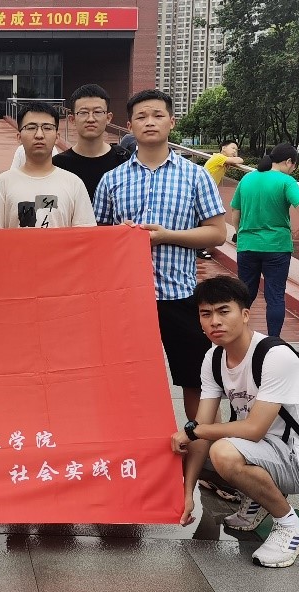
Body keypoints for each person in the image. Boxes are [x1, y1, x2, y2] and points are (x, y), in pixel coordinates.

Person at [92, 89, 226, 420]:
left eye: (157, 115)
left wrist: (167, 236)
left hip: (179, 297)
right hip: (128, 301)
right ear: (129, 126)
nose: (149, 122)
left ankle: (204, 447)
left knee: (195, 381)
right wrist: (120, 235)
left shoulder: (195, 176)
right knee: (128, 382)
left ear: (171, 122)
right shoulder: (112, 180)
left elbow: (217, 233)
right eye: (141, 116)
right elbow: (97, 240)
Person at [172, 275, 299, 569]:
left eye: (223, 311)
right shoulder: (214, 359)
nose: (215, 321)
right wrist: (186, 494)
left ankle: (291, 524)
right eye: (206, 314)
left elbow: (253, 429)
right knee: (193, 450)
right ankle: (256, 498)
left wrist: (194, 431)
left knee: (222, 452)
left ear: (245, 314)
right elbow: (200, 430)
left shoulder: (275, 356)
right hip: (260, 451)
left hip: (298, 459)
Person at [230, 143, 299, 338]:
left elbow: (235, 211)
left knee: (244, 295)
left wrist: (240, 233)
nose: (293, 170)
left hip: (247, 245)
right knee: (275, 296)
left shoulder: (247, 178)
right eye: (294, 166)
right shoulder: (286, 181)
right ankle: (274, 341)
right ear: (289, 161)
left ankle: (238, 337)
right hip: (276, 247)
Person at [0, 101, 96, 229]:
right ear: (19, 137)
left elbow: (85, 236)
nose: (39, 135)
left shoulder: (74, 184)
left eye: (47, 128)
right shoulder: (3, 184)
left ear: (57, 137)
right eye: (31, 128)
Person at [52, 83, 130, 199]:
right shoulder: (58, 164)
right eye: (83, 112)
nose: (90, 119)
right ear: (72, 119)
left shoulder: (123, 160)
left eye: (97, 112)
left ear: (108, 118)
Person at [197, 140, 244, 259]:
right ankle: (199, 248)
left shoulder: (221, 160)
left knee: (202, 220)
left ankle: (200, 248)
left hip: (206, 192)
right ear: (223, 148)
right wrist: (236, 159)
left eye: (236, 150)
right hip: (203, 193)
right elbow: (239, 160)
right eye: (233, 148)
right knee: (206, 221)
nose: (235, 151)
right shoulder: (218, 157)